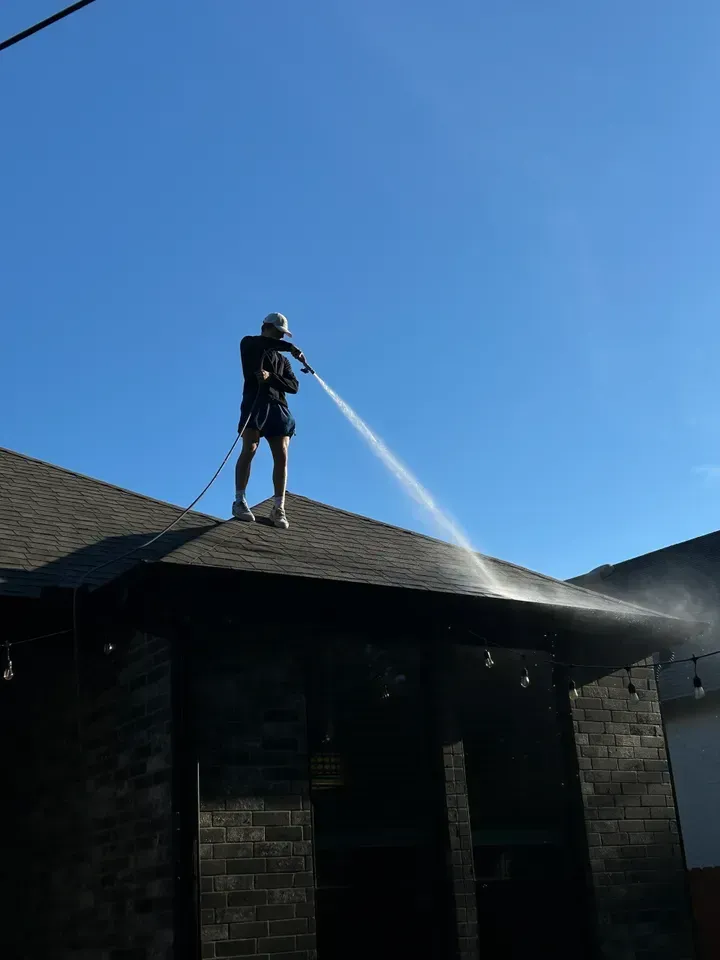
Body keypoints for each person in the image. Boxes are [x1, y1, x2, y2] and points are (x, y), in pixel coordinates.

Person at [232, 312, 308, 529]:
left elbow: (294, 386)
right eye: (277, 332)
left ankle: (278, 508)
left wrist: (271, 377)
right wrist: (293, 349)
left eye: (283, 335)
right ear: (265, 327)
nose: (281, 338)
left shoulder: (282, 360)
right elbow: (263, 344)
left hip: (278, 408)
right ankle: (239, 501)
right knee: (250, 448)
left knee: (282, 455)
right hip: (255, 404)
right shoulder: (250, 344)